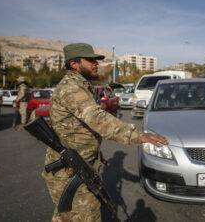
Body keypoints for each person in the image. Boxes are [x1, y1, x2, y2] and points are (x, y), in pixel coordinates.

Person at [43, 43, 168, 222]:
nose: (96, 63)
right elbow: (99, 120)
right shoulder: (70, 89)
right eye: (90, 60)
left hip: (77, 165)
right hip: (68, 171)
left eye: (96, 60)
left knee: (66, 218)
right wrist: (139, 136)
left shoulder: (80, 87)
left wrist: (97, 154)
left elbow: (78, 130)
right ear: (74, 64)